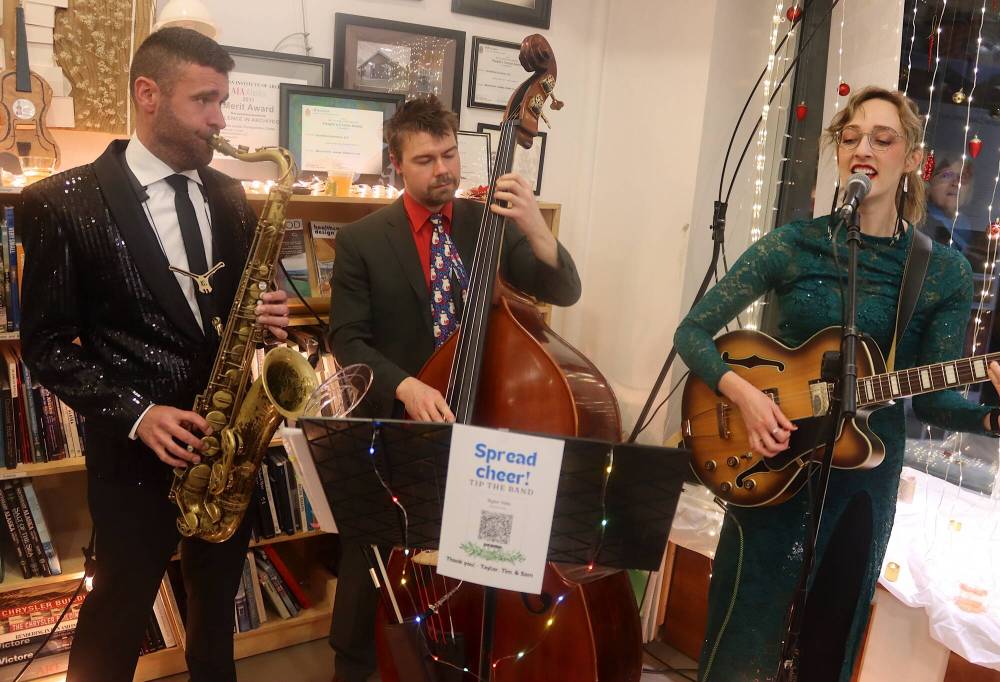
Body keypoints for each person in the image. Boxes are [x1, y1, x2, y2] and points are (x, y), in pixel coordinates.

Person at [673, 86, 1000, 682]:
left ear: (913, 159)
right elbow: (694, 333)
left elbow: (937, 398)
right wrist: (745, 395)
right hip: (773, 463)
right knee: (745, 629)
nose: (864, 149)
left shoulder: (941, 271)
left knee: (827, 641)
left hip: (863, 483)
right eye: (852, 137)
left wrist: (999, 420)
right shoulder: (793, 244)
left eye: (883, 139)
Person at [19, 27, 290, 682]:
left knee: (217, 610)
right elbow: (46, 347)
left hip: (227, 453)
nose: (220, 120)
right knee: (115, 616)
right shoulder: (60, 203)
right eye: (204, 100)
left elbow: (227, 314)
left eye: (222, 101)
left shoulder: (230, 197)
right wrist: (140, 414)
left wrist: (267, 320)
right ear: (148, 94)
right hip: (136, 461)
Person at [327, 95, 582, 682]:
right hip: (399, 426)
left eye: (449, 154)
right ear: (397, 164)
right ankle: (357, 666)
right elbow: (348, 339)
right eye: (425, 160)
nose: (442, 170)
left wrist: (538, 230)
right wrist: (408, 386)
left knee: (478, 563)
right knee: (375, 569)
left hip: (482, 422)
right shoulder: (363, 240)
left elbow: (561, 290)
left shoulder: (485, 220)